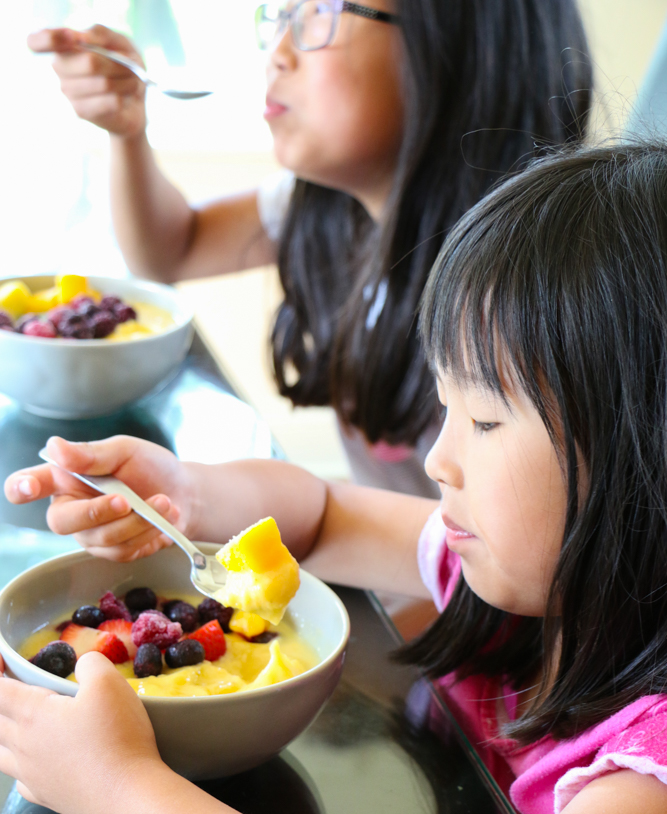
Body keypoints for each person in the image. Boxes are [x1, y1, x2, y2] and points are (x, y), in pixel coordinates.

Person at [8, 141, 667, 814]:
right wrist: (186, 494)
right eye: (444, 406)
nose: (436, 460)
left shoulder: (651, 788)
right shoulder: (541, 583)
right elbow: (326, 516)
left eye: (484, 420)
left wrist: (121, 790)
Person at [28, 0, 591, 498]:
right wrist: (127, 132)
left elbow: (513, 553)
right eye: (282, 15)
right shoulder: (330, 206)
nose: (276, 54)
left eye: (322, 12)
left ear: (461, 44)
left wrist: (316, 525)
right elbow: (170, 251)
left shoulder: (537, 290)